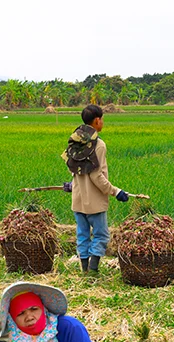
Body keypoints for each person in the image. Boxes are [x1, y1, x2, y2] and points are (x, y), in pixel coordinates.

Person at [61, 104, 130, 273]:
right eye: (102, 119)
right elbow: (96, 176)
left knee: (83, 235)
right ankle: (93, 270)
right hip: (94, 202)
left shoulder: (75, 141)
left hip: (78, 200)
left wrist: (74, 185)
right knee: (101, 235)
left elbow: (74, 168)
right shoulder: (98, 145)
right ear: (97, 121)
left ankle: (84, 269)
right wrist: (116, 191)